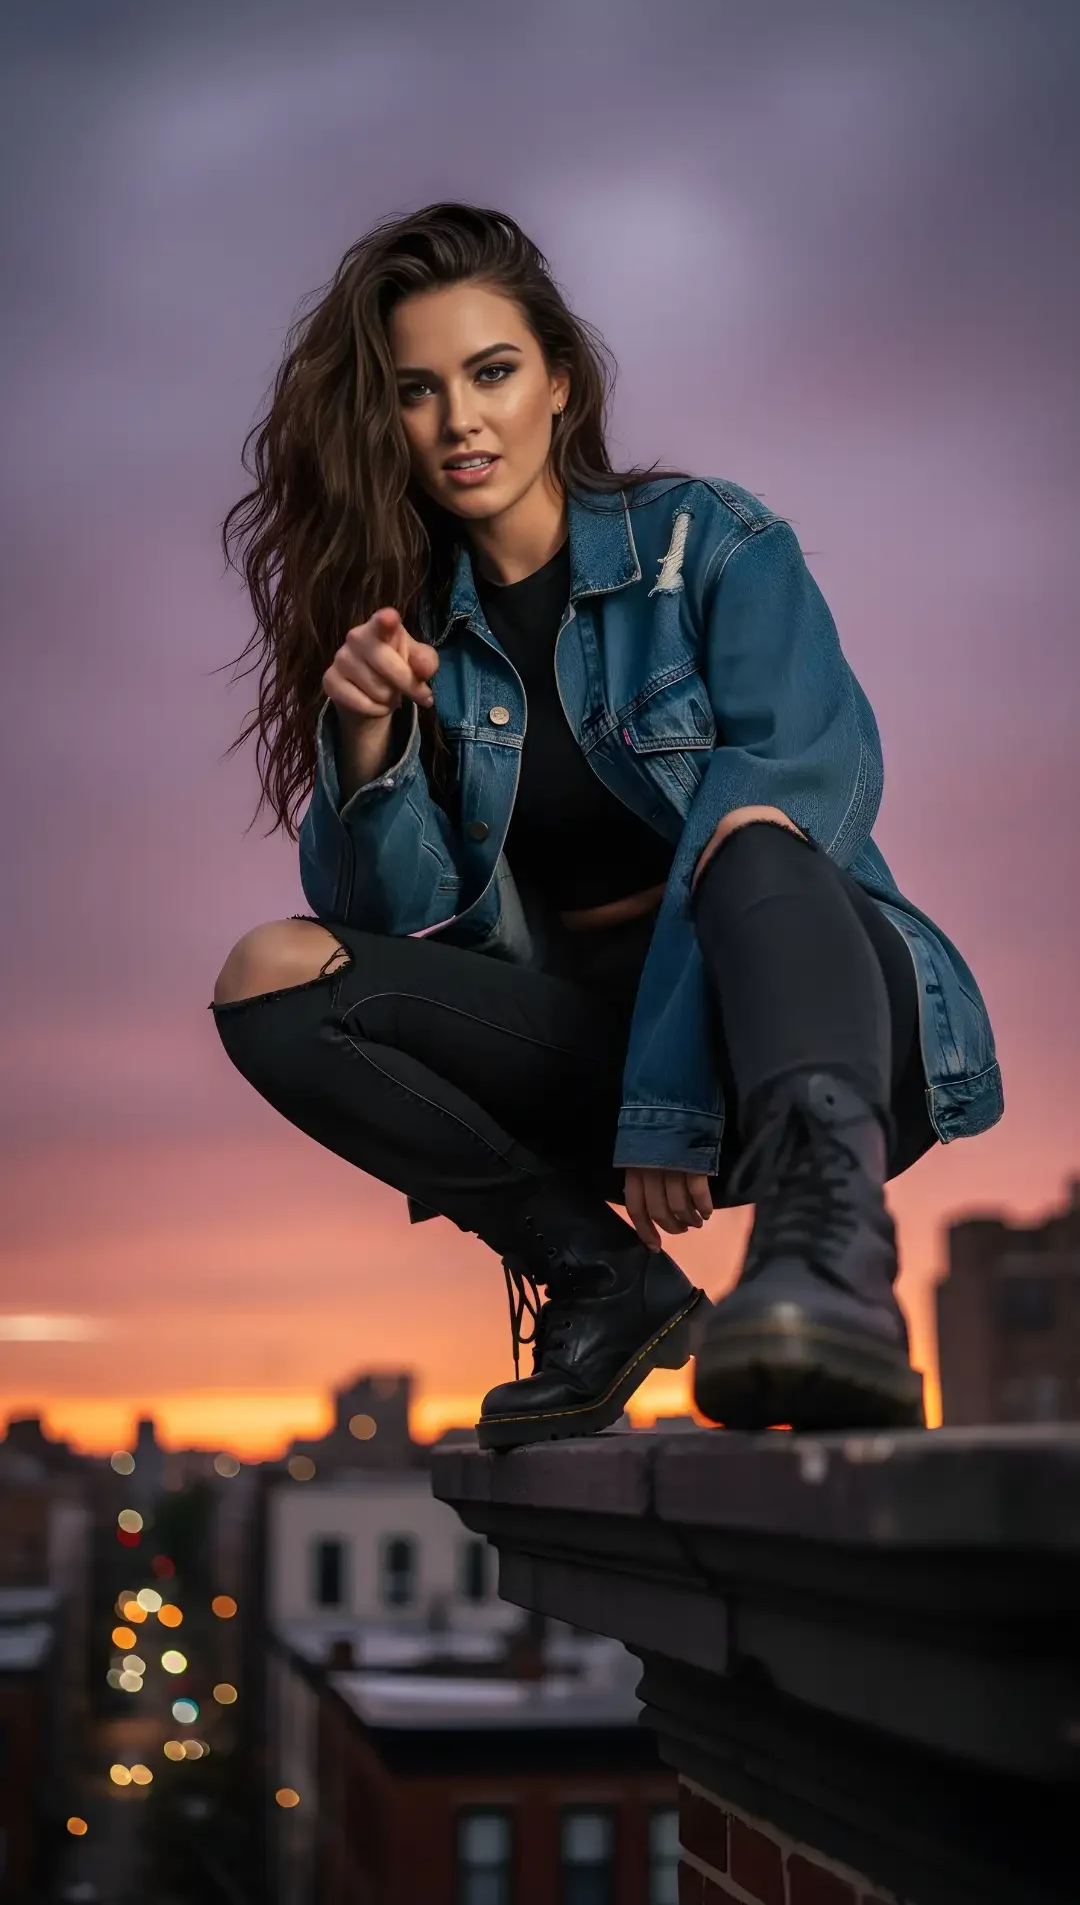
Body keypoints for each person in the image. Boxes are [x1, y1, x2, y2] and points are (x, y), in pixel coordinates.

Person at [211, 201, 1003, 1451]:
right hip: (603, 1063)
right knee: (270, 976)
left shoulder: (712, 545)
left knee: (747, 831)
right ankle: (598, 1280)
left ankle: (829, 1260)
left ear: (560, 386)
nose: (460, 419)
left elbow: (806, 790)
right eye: (419, 392)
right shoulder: (414, 636)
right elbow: (394, 929)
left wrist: (669, 1099)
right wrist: (367, 749)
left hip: (806, 1025)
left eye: (492, 372)